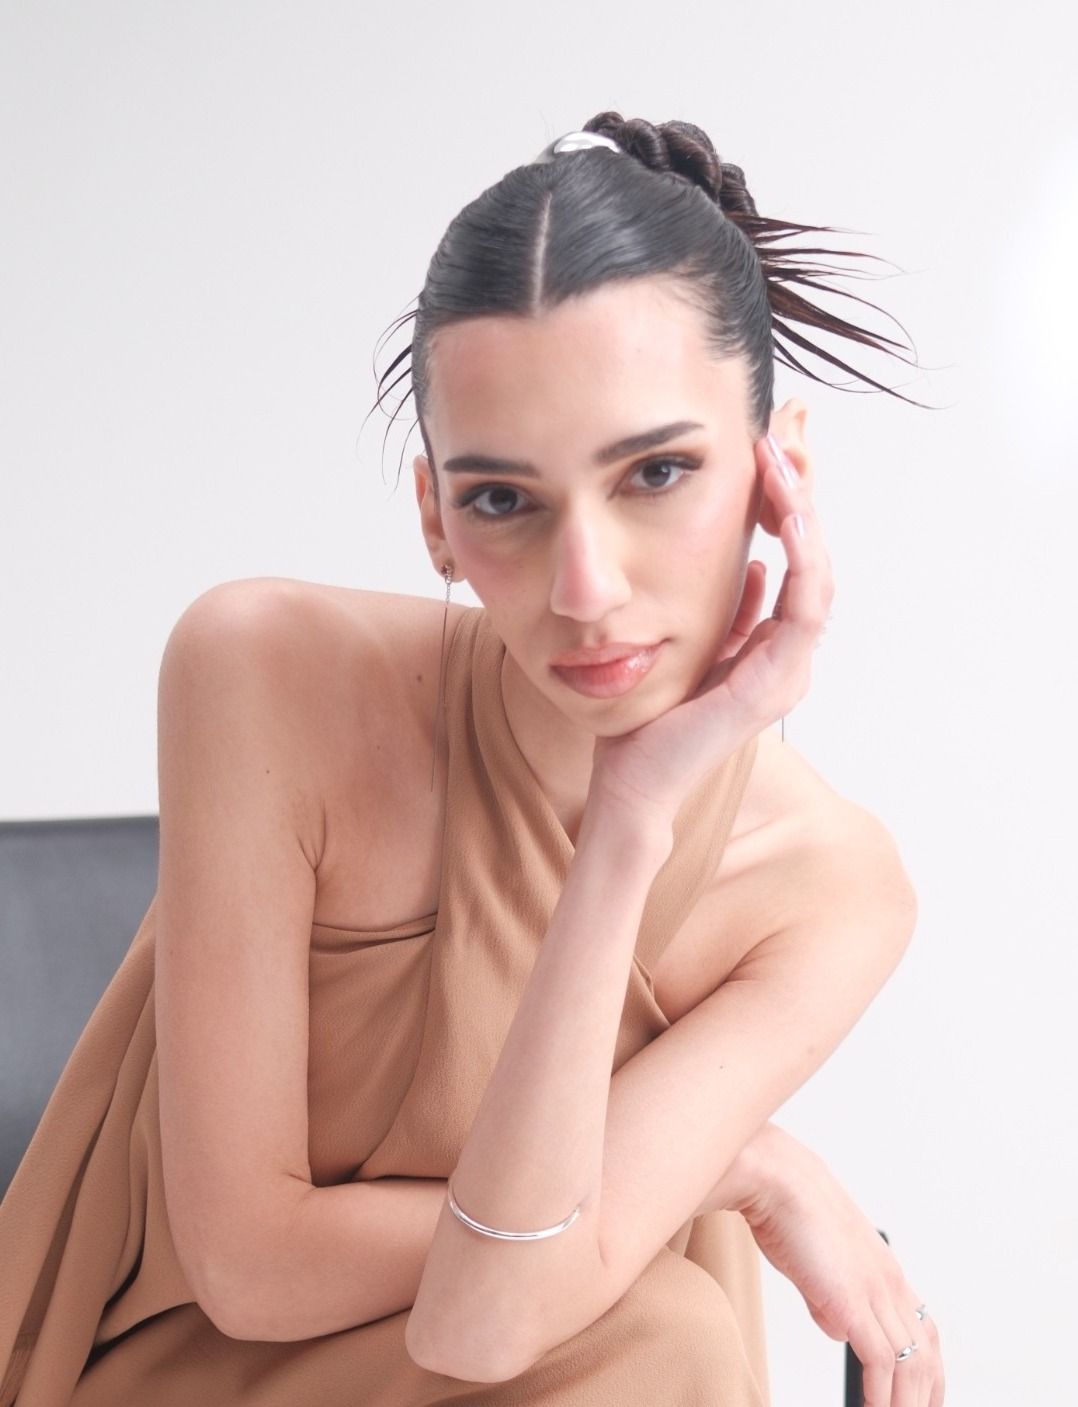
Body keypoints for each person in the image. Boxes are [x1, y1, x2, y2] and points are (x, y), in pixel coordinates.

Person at [0, 112, 945, 1406]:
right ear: (435, 517)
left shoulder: (830, 890)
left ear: (777, 470)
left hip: (557, 1364)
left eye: (656, 473)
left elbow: (487, 1323)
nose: (585, 588)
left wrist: (630, 820)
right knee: (660, 1331)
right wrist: (739, 1167)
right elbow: (251, 1270)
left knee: (651, 1334)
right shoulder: (260, 668)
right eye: (504, 499)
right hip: (190, 1373)